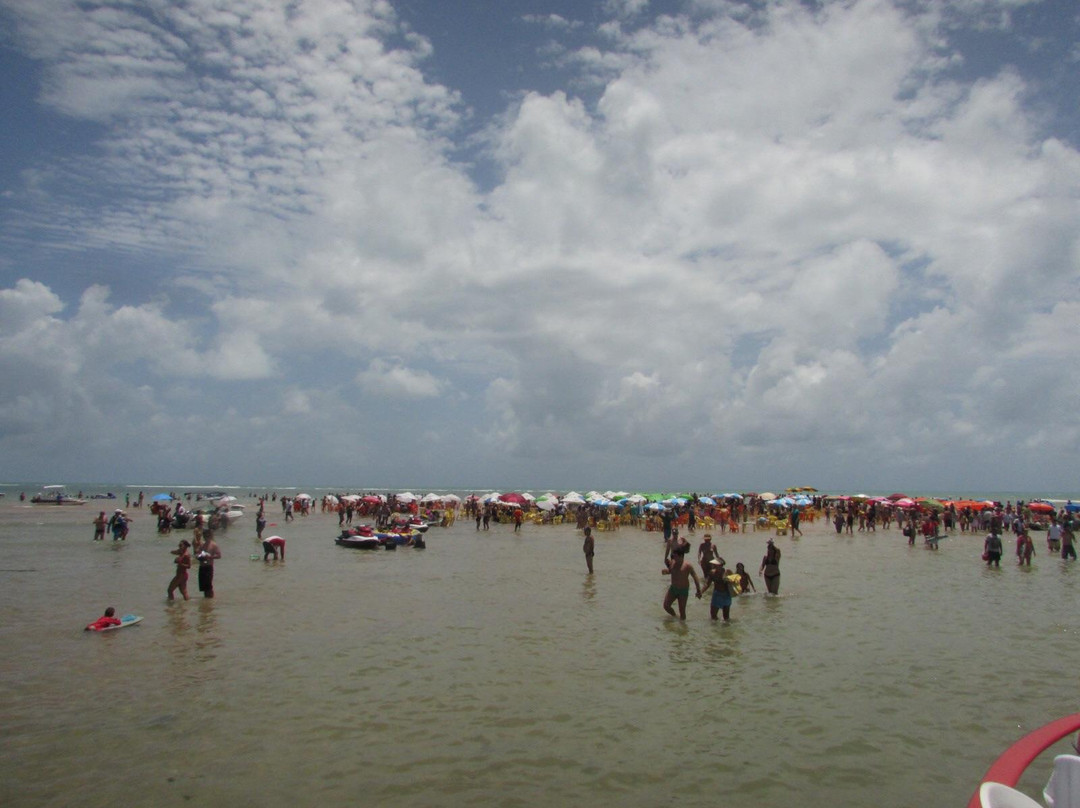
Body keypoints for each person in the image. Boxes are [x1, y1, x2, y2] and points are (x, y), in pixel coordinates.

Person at [661, 545, 702, 620]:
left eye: (675, 556)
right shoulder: (673, 562)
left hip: (683, 591)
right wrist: (666, 572)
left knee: (682, 612)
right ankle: (674, 616)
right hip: (673, 589)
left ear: (681, 556)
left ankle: (683, 628)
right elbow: (671, 571)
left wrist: (698, 590)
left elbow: (695, 577)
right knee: (666, 606)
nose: (673, 557)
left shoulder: (687, 566)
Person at [197, 531, 222, 598]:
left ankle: (210, 600)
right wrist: (200, 557)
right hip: (202, 566)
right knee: (203, 587)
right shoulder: (202, 544)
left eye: (208, 536)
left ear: (211, 536)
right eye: (205, 536)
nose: (206, 537)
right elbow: (198, 554)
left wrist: (210, 557)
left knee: (209, 586)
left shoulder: (213, 545)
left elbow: (219, 556)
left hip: (208, 567)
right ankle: (206, 601)